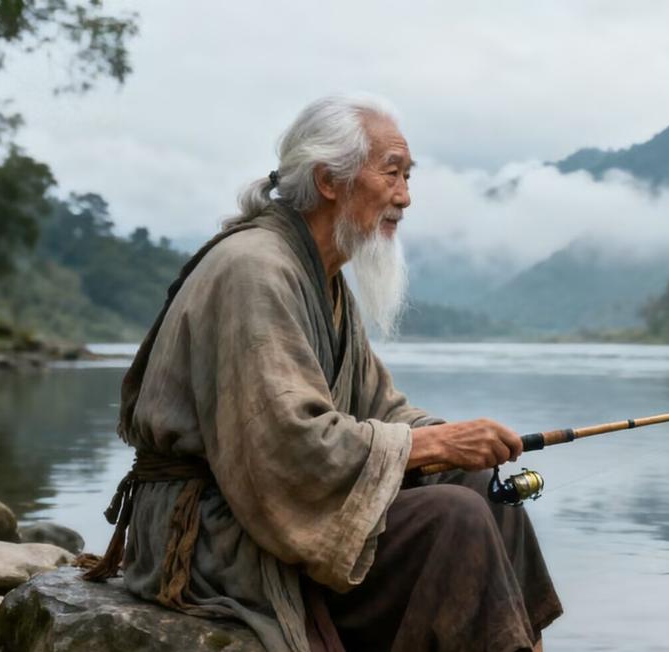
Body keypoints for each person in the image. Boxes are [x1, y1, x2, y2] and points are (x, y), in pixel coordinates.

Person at [80, 94, 562, 652]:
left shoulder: (324, 278)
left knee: (483, 489)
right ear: (329, 180)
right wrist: (431, 445)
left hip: (265, 510)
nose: (405, 197)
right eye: (392, 174)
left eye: (408, 176)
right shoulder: (255, 270)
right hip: (211, 534)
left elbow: (380, 409)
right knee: (453, 518)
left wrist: (456, 442)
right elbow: (286, 444)